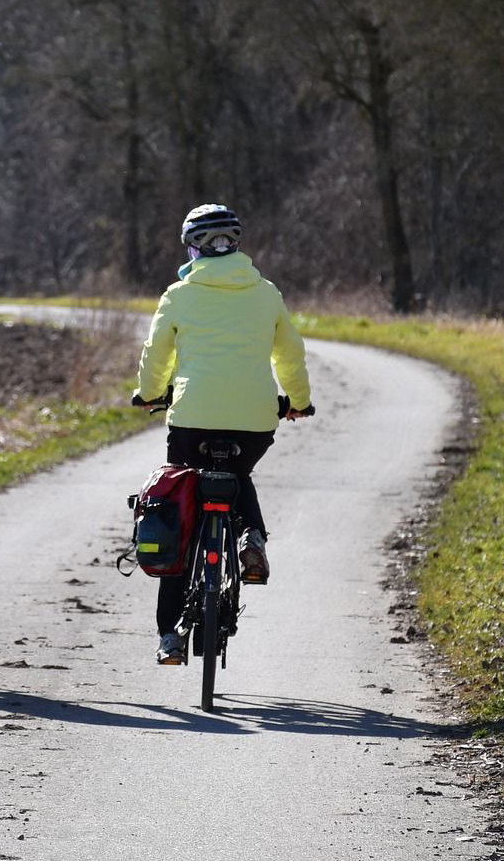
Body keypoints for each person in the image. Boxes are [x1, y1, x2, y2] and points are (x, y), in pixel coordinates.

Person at [132, 204, 312, 665]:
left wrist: (149, 394)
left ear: (192, 248)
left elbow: (157, 355)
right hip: (253, 418)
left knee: (185, 513)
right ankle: (251, 537)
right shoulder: (266, 292)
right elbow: (290, 353)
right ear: (236, 245)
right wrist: (298, 401)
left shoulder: (178, 294)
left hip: (191, 416)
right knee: (237, 474)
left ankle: (169, 636)